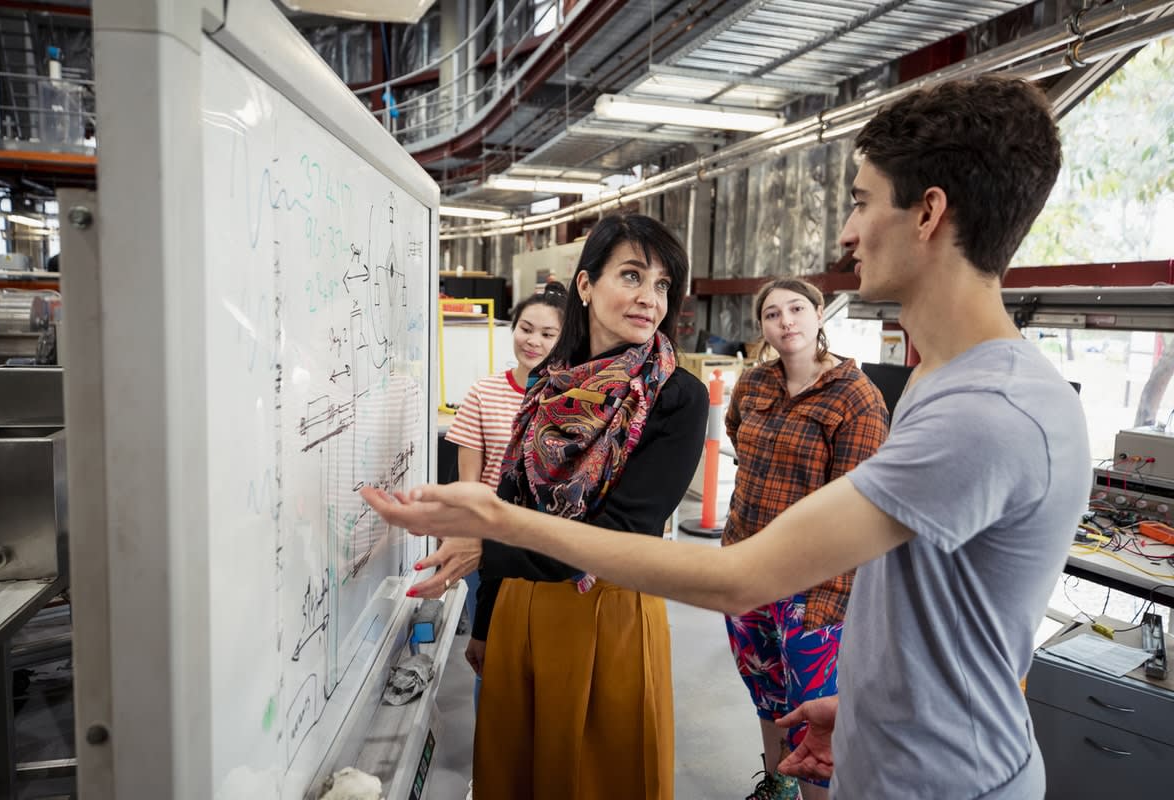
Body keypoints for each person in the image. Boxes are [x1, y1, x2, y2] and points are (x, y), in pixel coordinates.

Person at [363, 75, 1091, 798]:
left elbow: (740, 576)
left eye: (863, 202)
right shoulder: (945, 381)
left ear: (928, 212)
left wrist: (492, 521)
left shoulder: (985, 411)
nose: (845, 232)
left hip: (947, 783)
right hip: (899, 754)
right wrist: (867, 710)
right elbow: (939, 612)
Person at [404, 213, 707, 799]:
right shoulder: (549, 381)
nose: (650, 299)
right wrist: (487, 621)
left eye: (664, 285)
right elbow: (510, 496)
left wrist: (484, 550)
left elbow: (624, 532)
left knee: (595, 778)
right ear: (586, 285)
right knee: (519, 773)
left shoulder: (676, 395)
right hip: (520, 607)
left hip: (607, 612)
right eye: (632, 275)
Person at [726, 277, 888, 800]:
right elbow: (736, 434)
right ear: (763, 327)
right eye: (772, 314)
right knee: (767, 696)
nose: (786, 321)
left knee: (811, 714)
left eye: (796, 308)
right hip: (746, 568)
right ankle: (776, 787)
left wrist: (830, 599)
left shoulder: (856, 396)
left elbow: (857, 505)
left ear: (820, 314)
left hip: (812, 586)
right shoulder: (753, 384)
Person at [443, 282, 566, 698]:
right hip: (492, 548)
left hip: (550, 550)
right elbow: (468, 486)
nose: (533, 341)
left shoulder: (573, 397)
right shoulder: (484, 392)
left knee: (549, 667)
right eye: (526, 328)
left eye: (548, 334)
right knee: (492, 663)